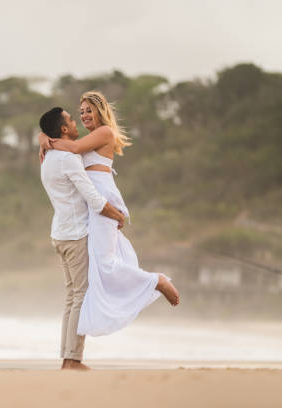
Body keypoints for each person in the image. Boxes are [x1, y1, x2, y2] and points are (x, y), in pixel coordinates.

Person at [39, 92, 180, 341]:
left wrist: (46, 140)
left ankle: (155, 281)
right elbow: (70, 144)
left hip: (102, 198)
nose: (83, 116)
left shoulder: (105, 132)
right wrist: (44, 137)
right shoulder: (88, 137)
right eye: (80, 112)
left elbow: (72, 147)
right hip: (94, 203)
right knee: (102, 265)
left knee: (105, 264)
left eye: (88, 110)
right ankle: (148, 283)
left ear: (100, 110)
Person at [39, 107, 126, 370]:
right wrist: (116, 215)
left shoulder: (48, 156)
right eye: (72, 119)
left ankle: (68, 358)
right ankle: (73, 360)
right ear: (64, 129)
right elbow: (92, 196)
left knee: (72, 296)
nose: (76, 122)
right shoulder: (68, 159)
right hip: (76, 235)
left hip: (60, 233)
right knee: (80, 296)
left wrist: (43, 137)